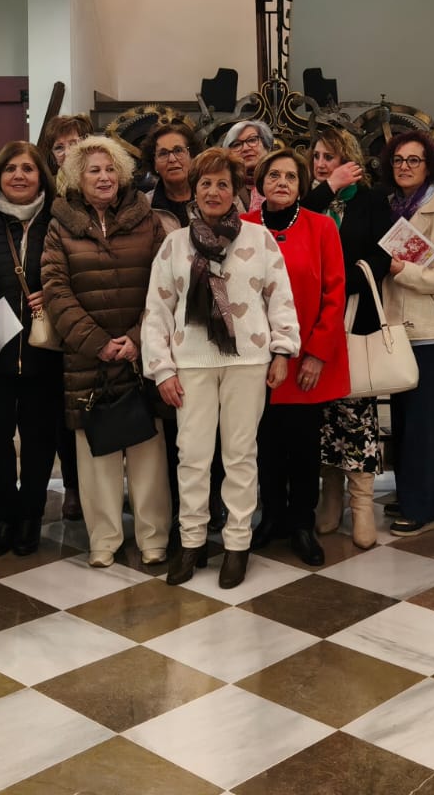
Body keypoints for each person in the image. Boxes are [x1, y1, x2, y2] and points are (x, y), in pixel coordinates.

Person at [143, 146, 300, 589]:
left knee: (240, 455)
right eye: (206, 183)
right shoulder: (174, 244)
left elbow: (280, 296)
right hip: (189, 362)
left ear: (236, 193)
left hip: (249, 360)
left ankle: (236, 543)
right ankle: (191, 542)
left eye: (223, 184)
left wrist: (285, 351)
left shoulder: (259, 239)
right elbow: (157, 309)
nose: (214, 192)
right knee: (192, 456)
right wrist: (162, 369)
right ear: (194, 190)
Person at [40, 136, 172, 568]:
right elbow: (55, 291)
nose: (103, 177)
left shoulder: (146, 220)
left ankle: (153, 536)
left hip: (140, 354)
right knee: (96, 453)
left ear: (122, 175)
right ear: (77, 177)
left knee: (147, 452)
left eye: (110, 168)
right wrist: (98, 343)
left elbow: (162, 286)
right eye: (94, 170)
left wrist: (136, 338)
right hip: (87, 359)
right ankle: (104, 539)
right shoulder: (60, 226)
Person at [244, 147, 351, 566]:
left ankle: (302, 523)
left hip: (306, 361)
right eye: (274, 176)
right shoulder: (244, 226)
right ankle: (271, 517)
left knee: (304, 445)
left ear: (301, 184)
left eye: (290, 176)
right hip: (256, 362)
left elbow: (334, 293)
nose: (282, 183)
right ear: (261, 184)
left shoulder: (321, 227)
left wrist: (317, 355)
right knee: (265, 444)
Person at [0, 142, 61, 558]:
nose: (19, 176)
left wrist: (55, 295)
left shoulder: (59, 218)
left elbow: (76, 272)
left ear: (42, 175)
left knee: (41, 438)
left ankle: (30, 516)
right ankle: (3, 514)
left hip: (46, 350)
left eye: (28, 168)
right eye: (10, 169)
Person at [377, 130, 434, 536]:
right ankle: (410, 492)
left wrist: (406, 271)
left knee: (425, 422)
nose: (405, 167)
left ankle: (425, 505)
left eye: (413, 160)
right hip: (392, 326)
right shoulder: (388, 207)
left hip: (429, 330)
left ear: (429, 164)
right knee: (400, 421)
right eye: (398, 160)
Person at [302, 124, 392, 548]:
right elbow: (297, 228)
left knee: (356, 411)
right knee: (320, 416)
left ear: (351, 162)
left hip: (356, 317)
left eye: (331, 158)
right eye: (317, 157)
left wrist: (345, 282)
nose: (321, 164)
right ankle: (330, 496)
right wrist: (326, 189)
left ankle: (361, 503)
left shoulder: (373, 202)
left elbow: (383, 253)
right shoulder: (310, 200)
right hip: (314, 322)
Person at [39, 113, 92, 519]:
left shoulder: (111, 187)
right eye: (60, 146)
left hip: (107, 306)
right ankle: (73, 485)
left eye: (75, 142)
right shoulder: (47, 199)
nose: (68, 151)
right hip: (63, 313)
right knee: (64, 408)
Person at [148, 121, 200, 231]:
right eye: (163, 153)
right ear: (154, 164)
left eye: (178, 150)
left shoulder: (215, 195)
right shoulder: (144, 206)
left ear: (192, 157)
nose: (172, 159)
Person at [221, 119, 274, 210]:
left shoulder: (283, 182)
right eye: (236, 144)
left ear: (267, 146)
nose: (245, 148)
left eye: (252, 140)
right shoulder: (222, 186)